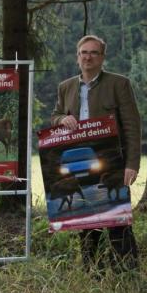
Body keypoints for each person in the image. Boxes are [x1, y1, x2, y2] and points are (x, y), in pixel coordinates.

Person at [50, 35, 141, 272]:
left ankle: (127, 273)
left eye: (94, 53)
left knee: (117, 219)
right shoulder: (66, 87)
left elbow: (132, 125)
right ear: (77, 57)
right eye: (84, 53)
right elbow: (55, 116)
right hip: (78, 162)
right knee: (85, 219)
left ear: (102, 57)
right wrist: (62, 118)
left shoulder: (119, 84)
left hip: (111, 163)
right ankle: (93, 272)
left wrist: (132, 164)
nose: (88, 57)